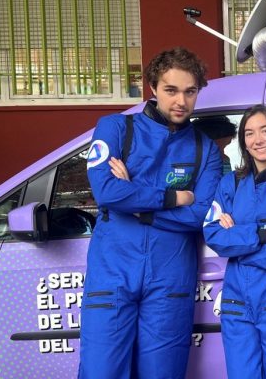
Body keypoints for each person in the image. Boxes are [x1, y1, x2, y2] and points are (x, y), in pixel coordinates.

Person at [80, 47, 222, 378]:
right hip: (112, 273)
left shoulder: (205, 149)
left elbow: (201, 214)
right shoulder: (115, 129)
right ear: (153, 87)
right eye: (171, 90)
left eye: (190, 92)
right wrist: (174, 197)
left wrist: (137, 206)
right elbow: (107, 191)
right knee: (101, 372)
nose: (181, 101)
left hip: (170, 277)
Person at [203, 104, 266, 378]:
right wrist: (262, 235)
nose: (258, 140)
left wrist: (237, 244)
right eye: (249, 133)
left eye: (265, 130)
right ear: (243, 142)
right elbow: (213, 234)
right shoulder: (231, 184)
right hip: (237, 301)